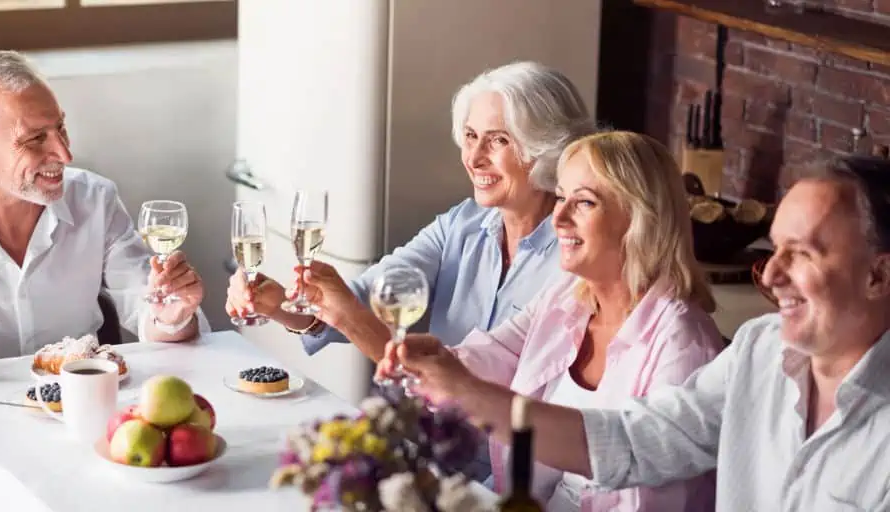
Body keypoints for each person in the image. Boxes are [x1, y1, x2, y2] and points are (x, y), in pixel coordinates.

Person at [381, 155, 890, 511]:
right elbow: (631, 439)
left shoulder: (684, 338)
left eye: (801, 254)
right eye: (773, 249)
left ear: (879, 275)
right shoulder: (760, 348)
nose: (772, 276)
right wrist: (466, 391)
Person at [378, 131, 722, 510]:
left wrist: (460, 386)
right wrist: (441, 363)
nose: (558, 216)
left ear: (640, 219)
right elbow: (495, 353)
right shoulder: (568, 297)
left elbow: (664, 496)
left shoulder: (683, 340)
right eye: (560, 197)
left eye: (584, 202)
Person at [0, 50, 208, 411]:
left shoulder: (96, 200)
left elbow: (153, 315)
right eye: (34, 139)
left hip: (82, 419)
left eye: (60, 128)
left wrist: (172, 317)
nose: (64, 153)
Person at [225, 61, 596, 364]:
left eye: (498, 139)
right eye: (470, 136)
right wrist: (279, 305)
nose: (474, 157)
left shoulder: (578, 257)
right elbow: (365, 297)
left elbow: (475, 383)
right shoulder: (460, 225)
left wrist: (349, 317)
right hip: (433, 443)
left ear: (547, 147)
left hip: (511, 454)